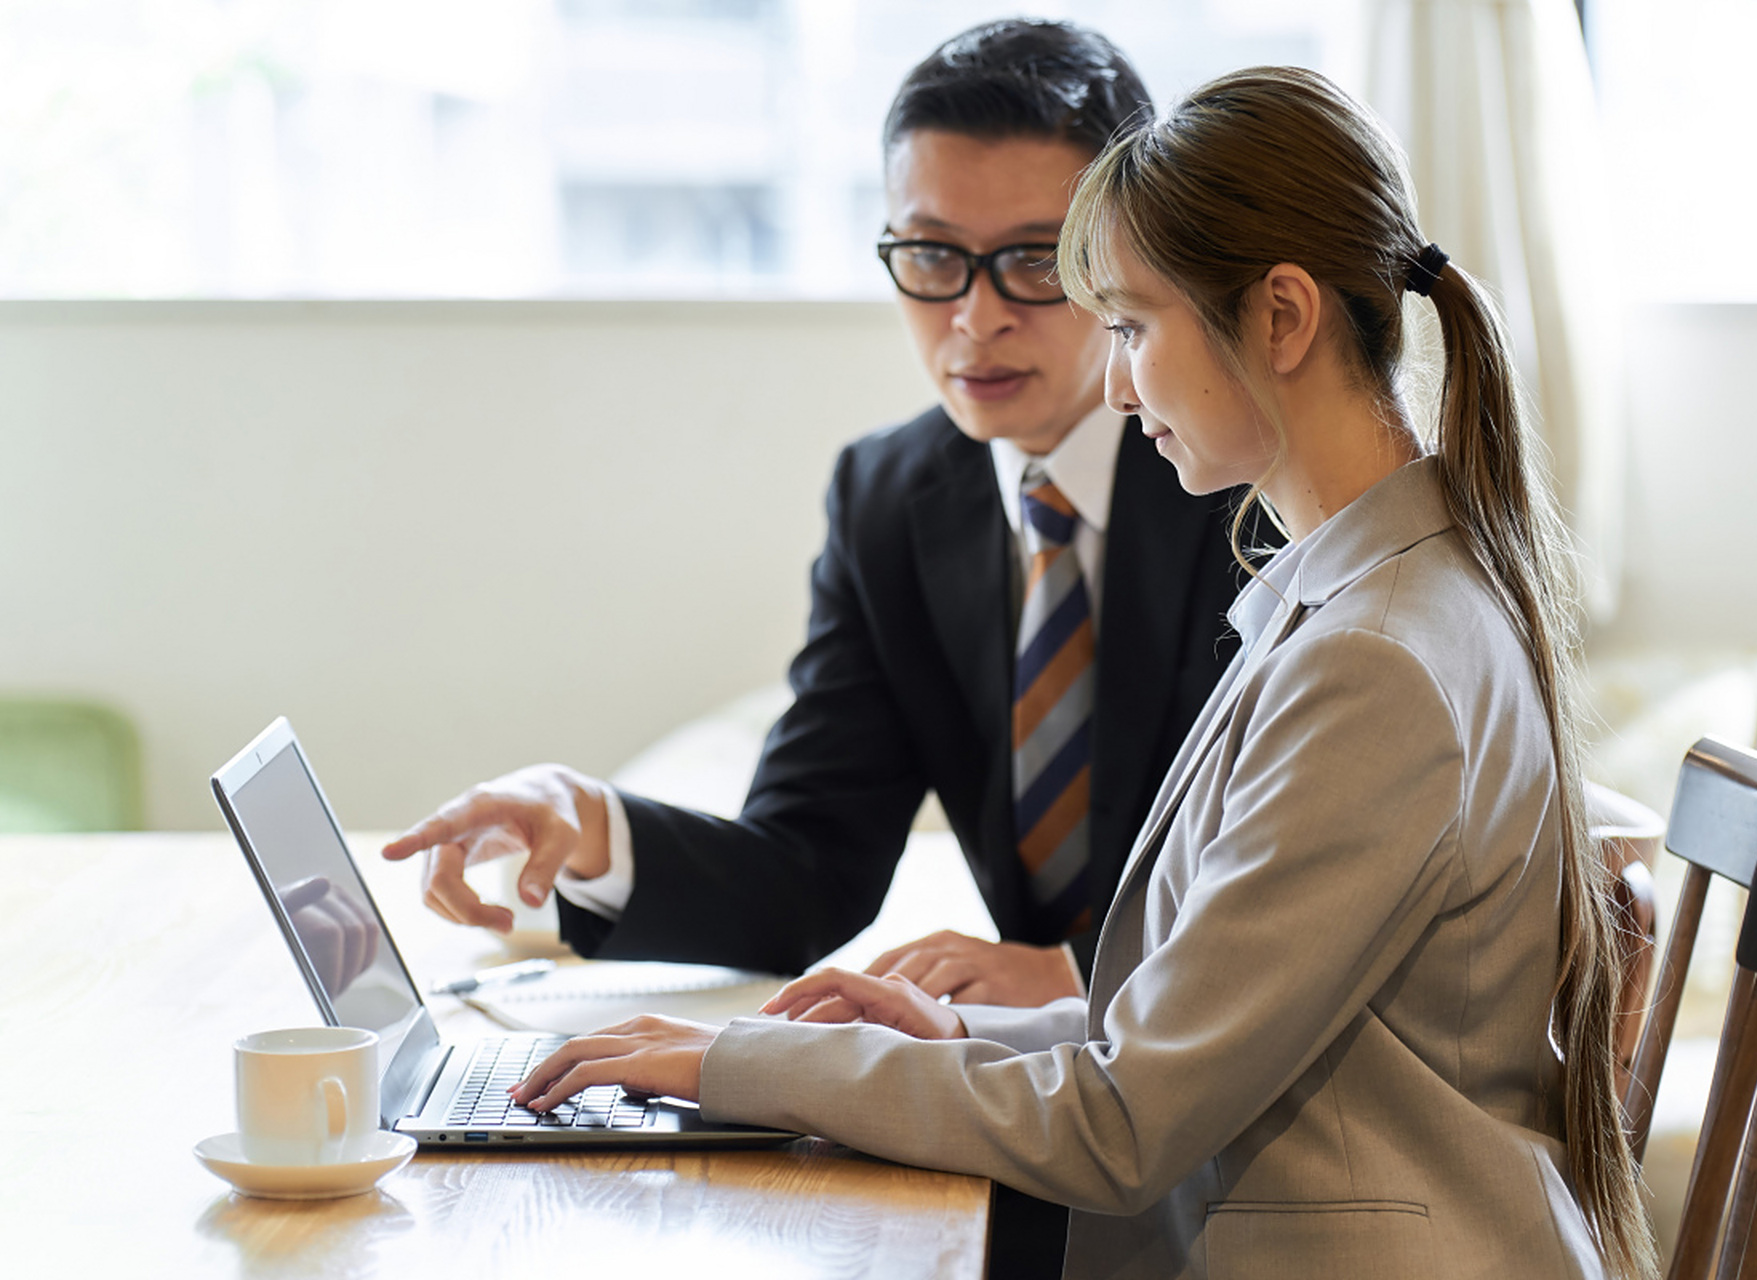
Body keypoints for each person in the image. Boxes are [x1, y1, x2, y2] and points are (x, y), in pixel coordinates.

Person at [505, 66, 1659, 1280]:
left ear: (1280, 317)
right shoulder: (1363, 595)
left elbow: (1124, 1124)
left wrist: (731, 1061)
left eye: (1130, 325)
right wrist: (963, 1032)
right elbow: (1196, 1028)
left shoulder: (1374, 659)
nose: (1110, 381)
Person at [383, 19, 1256, 1003]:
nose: (974, 317)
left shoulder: (1245, 472)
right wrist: (592, 824)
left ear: (1126, 257)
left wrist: (1077, 974)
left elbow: (1313, 876)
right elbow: (807, 872)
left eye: (1036, 258)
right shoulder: (889, 497)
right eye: (931, 255)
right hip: (1034, 1094)